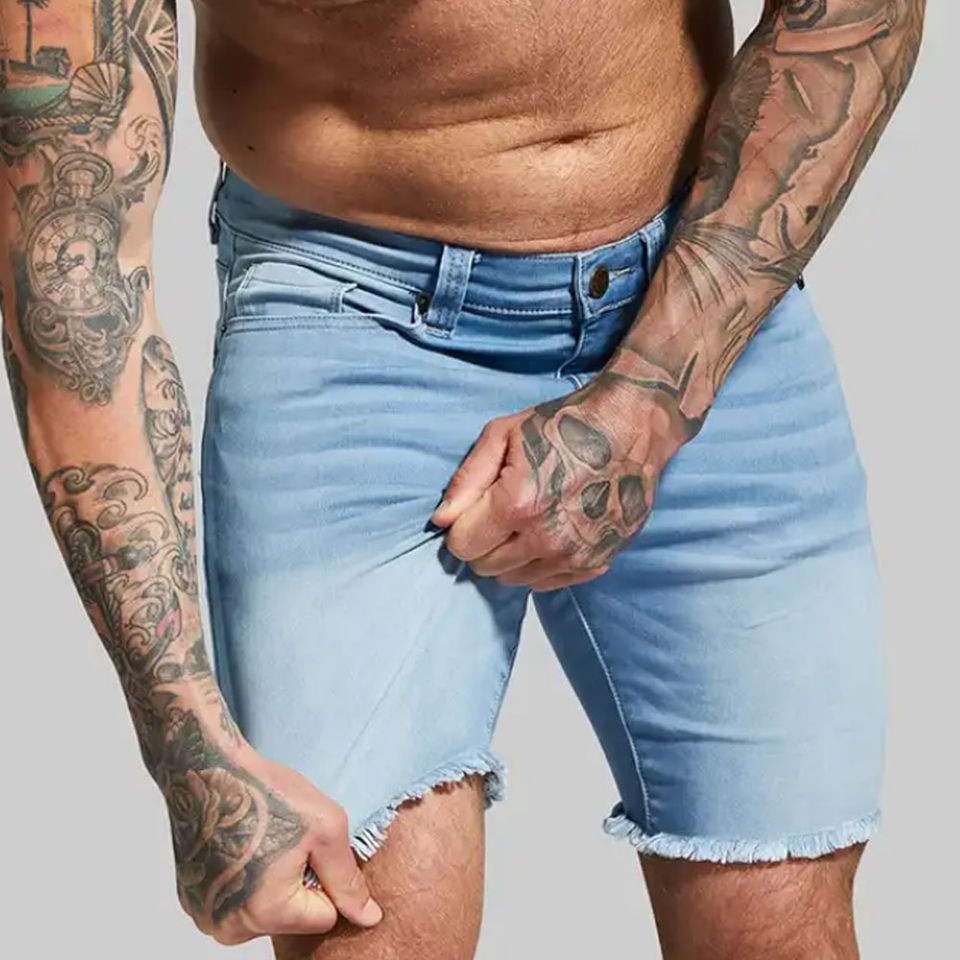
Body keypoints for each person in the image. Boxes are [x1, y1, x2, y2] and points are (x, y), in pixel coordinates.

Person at [0, 1, 924, 957]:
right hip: (351, 315)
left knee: (780, 935)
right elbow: (70, 258)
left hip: (706, 276)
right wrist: (188, 745)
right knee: (367, 928)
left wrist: (648, 401)